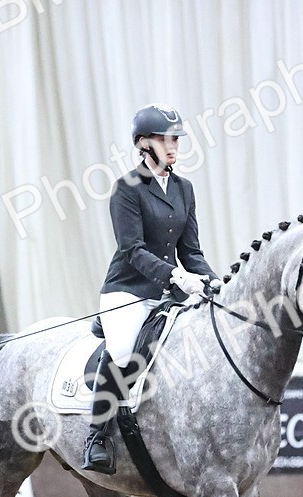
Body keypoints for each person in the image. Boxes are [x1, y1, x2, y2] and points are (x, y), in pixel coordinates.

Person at [82, 103, 219, 474]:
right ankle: (96, 437)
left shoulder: (183, 188)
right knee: (124, 351)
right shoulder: (127, 188)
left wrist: (213, 282)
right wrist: (175, 277)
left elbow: (190, 251)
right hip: (127, 289)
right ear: (143, 143)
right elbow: (133, 249)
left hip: (168, 290)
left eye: (175, 138)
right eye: (163, 138)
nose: (172, 144)